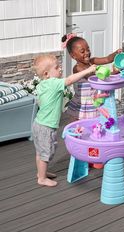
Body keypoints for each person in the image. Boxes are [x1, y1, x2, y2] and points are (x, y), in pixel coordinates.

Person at [32, 54, 96, 187]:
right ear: (46, 73)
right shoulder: (54, 83)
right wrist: (88, 71)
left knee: (40, 151)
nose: (60, 69)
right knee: (46, 152)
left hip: (38, 123)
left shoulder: (42, 84)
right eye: (57, 67)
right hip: (46, 127)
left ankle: (41, 173)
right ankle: (42, 179)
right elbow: (69, 80)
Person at [62, 33, 121, 169]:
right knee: (81, 132)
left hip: (93, 105)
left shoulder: (92, 62)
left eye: (88, 49)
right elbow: (93, 76)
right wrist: (112, 74)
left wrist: (115, 54)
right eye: (82, 51)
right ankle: (82, 156)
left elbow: (107, 59)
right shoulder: (78, 68)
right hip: (81, 108)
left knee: (95, 130)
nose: (87, 53)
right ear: (73, 56)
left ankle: (95, 156)